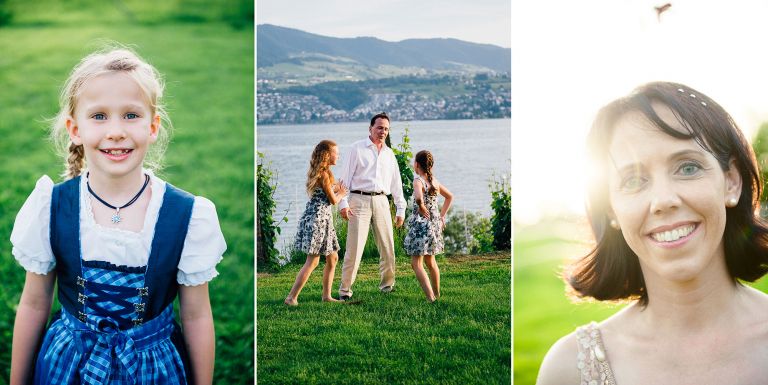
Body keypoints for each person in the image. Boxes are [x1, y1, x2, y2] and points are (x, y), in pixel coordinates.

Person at [9, 47, 226, 385]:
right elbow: (35, 303)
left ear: (153, 127)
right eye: (98, 116)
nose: (115, 131)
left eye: (130, 115)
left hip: (152, 368)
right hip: (69, 364)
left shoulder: (186, 214)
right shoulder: (51, 206)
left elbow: (196, 314)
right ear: (75, 128)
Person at [536, 81, 768, 384]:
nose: (663, 201)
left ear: (731, 182)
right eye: (632, 181)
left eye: (687, 168)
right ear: (611, 209)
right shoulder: (568, 370)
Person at [337, 112, 407, 300]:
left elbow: (396, 184)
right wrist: (343, 204)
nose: (382, 131)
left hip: (382, 201)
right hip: (358, 201)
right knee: (354, 248)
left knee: (387, 247)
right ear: (370, 128)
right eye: (379, 127)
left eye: (386, 129)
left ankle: (387, 286)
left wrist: (401, 209)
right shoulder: (356, 149)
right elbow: (343, 180)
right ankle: (345, 291)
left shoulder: (389, 154)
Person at [284, 140, 348, 306]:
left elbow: (328, 193)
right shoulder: (324, 175)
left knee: (333, 258)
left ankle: (326, 296)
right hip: (318, 219)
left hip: (322, 218)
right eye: (336, 153)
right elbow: (333, 200)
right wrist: (341, 193)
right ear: (327, 155)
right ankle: (291, 298)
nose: (338, 156)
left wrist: (339, 191)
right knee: (312, 261)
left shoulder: (324, 173)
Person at [403, 150, 453, 302]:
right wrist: (442, 216)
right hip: (434, 223)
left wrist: (421, 206)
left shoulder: (418, 181)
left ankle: (431, 298)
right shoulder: (435, 181)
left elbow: (418, 197)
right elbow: (449, 197)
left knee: (416, 263)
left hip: (421, 225)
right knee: (430, 261)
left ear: (416, 164)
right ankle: (437, 294)